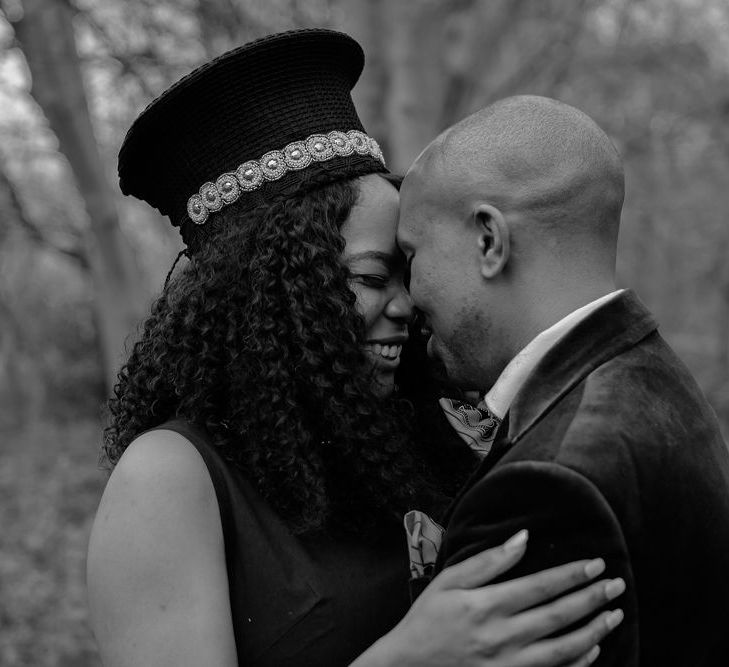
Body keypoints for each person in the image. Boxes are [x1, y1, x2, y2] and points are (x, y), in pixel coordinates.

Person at [87, 33, 623, 667]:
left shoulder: (418, 439)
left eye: (409, 271)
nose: (407, 305)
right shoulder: (170, 479)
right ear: (271, 296)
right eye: (373, 278)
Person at [397, 94, 729, 666]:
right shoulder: (653, 376)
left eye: (412, 254)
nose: (409, 296)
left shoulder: (545, 485)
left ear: (489, 241)